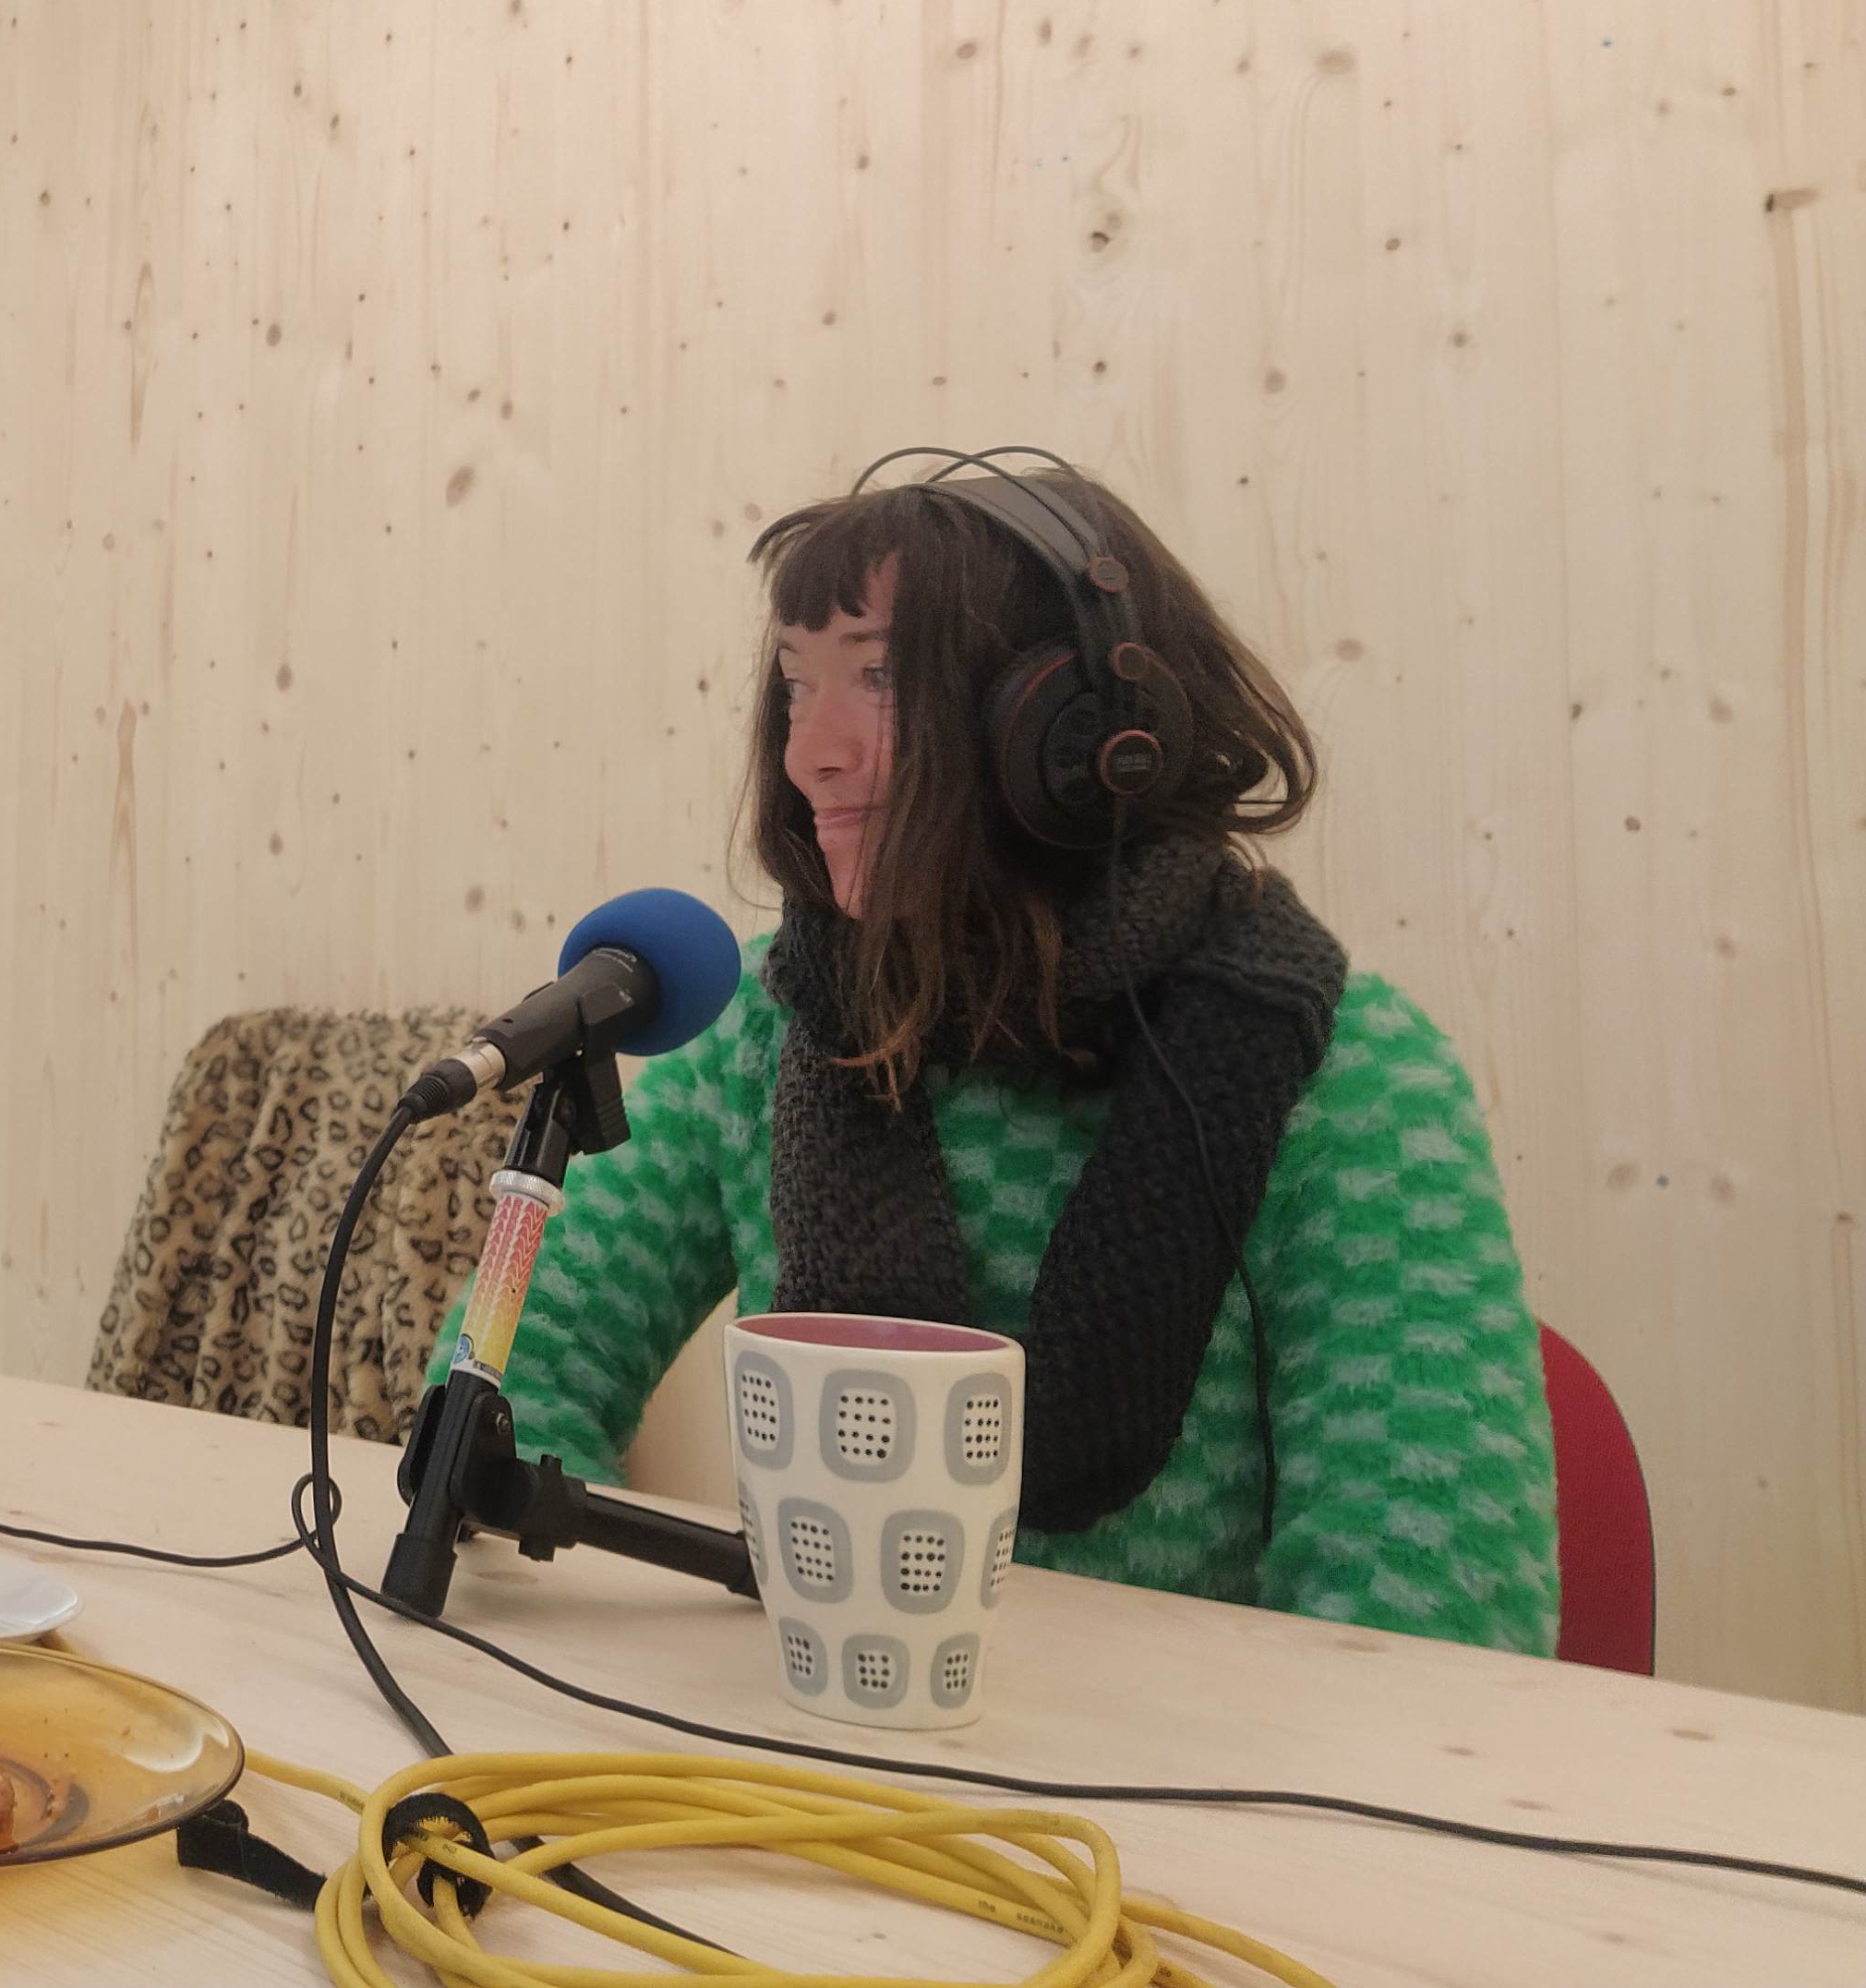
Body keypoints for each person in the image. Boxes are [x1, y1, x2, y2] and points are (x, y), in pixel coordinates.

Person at [486, 452, 1560, 1652]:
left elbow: (1439, 1615)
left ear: (1071, 732)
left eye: (880, 680)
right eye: (795, 687)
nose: (807, 755)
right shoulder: (767, 1032)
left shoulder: (1352, 1076)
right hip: (804, 1743)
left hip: (1191, 1767)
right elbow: (507, 1391)